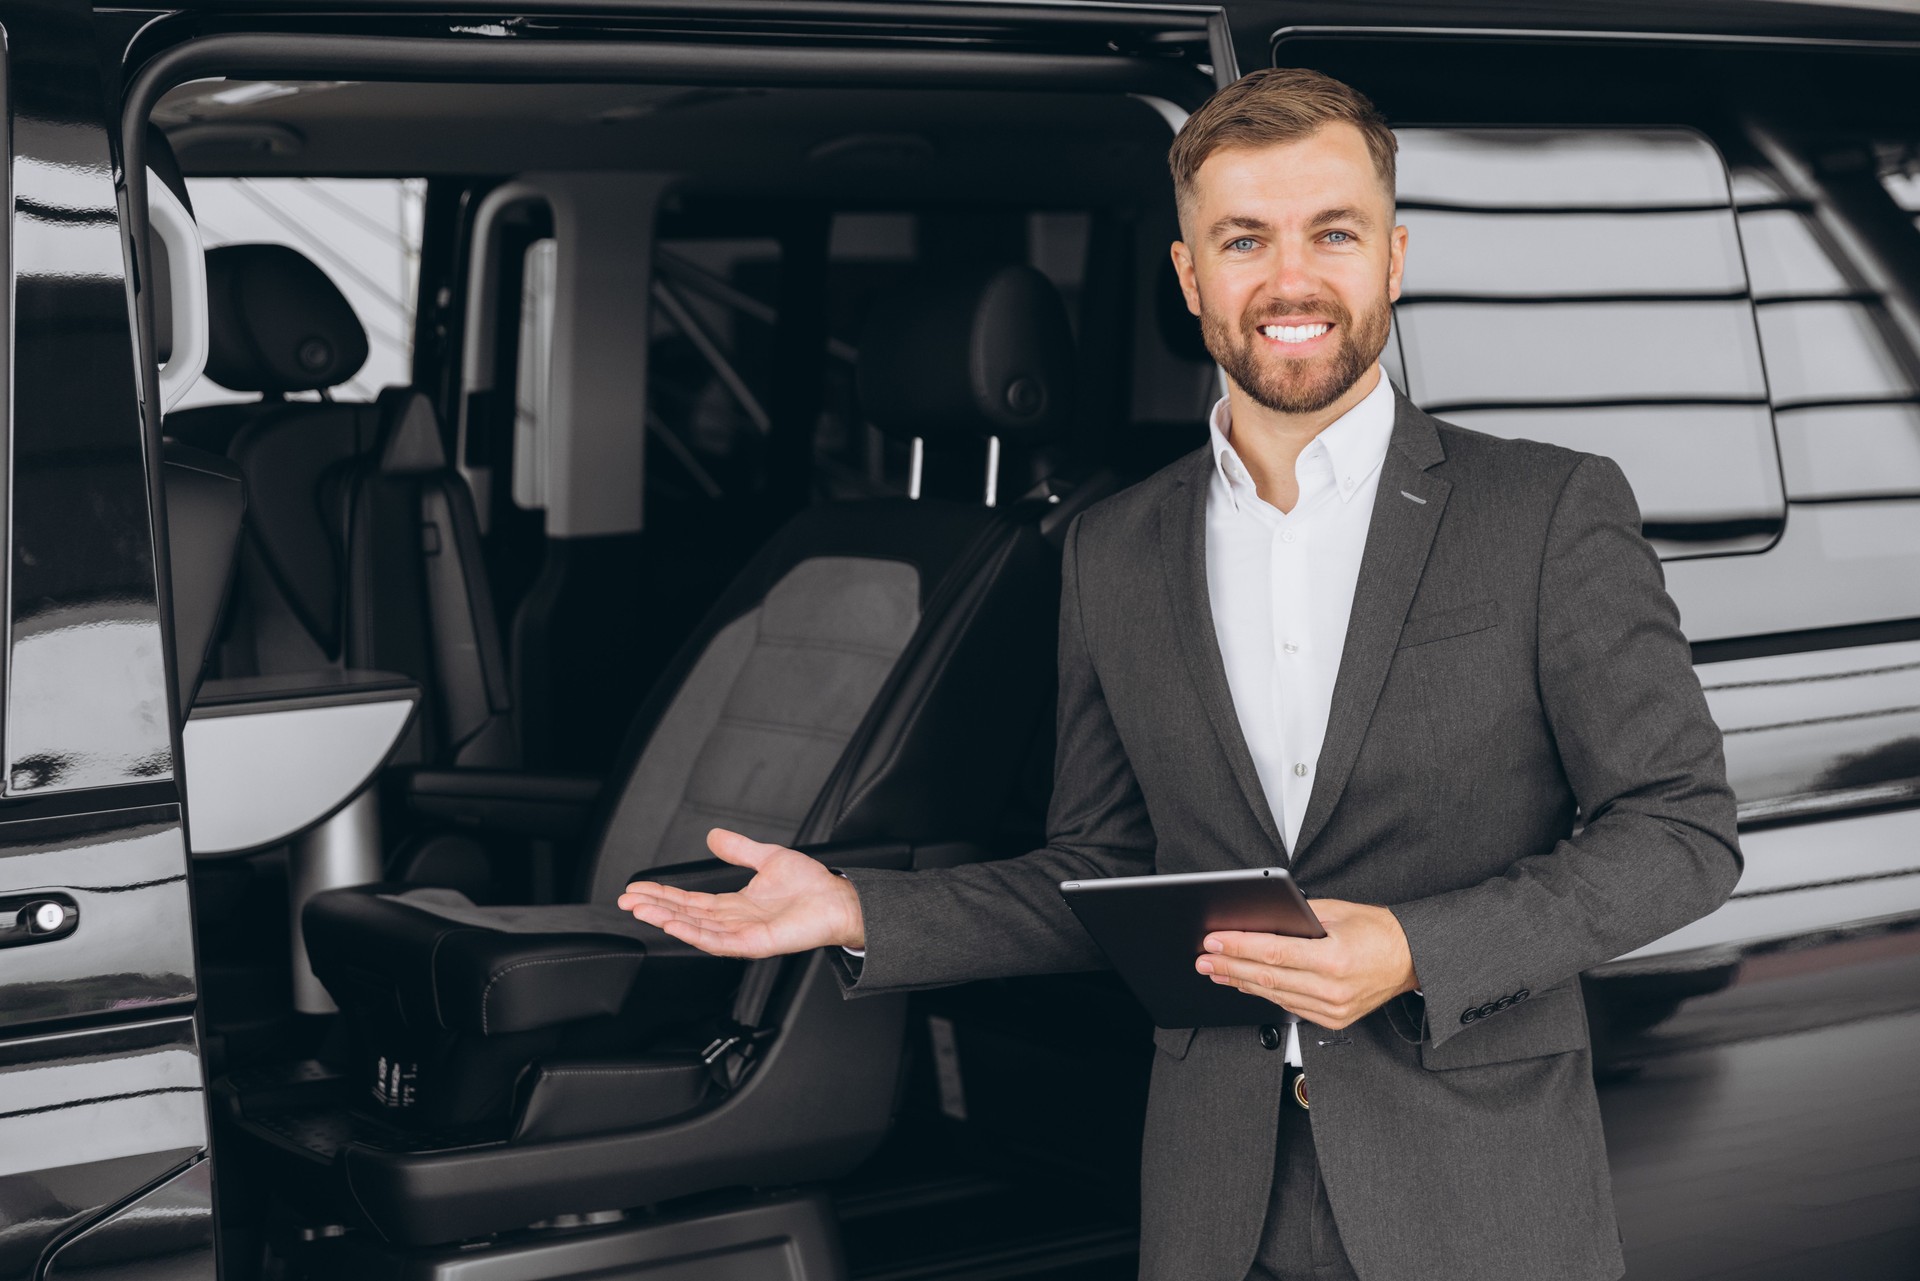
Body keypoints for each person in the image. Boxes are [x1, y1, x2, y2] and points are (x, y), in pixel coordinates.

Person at [617, 67, 1741, 1281]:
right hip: (1219, 1202)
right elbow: (1101, 871)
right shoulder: (1113, 547)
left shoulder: (1547, 507)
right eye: (1244, 238)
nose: (1291, 279)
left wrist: (1417, 949)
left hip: (1476, 1198)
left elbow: (1682, 832)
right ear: (1191, 277)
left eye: (1334, 232)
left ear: (1394, 258)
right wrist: (857, 909)